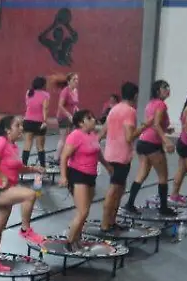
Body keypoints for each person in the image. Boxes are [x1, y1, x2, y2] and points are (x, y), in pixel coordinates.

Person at [0, 115, 46, 269]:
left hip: (4, 189)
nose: (21, 128)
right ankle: (25, 230)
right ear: (8, 130)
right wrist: (2, 177)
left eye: (22, 125)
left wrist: (33, 169)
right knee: (30, 195)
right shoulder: (1, 142)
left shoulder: (13, 146)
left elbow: (18, 167)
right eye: (18, 125)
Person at [58, 109, 111, 251]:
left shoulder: (92, 135)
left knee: (85, 212)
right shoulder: (75, 136)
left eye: (93, 117)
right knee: (82, 212)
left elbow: (98, 153)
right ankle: (69, 242)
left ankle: (77, 238)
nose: (93, 120)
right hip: (77, 175)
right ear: (81, 123)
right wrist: (63, 176)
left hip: (91, 176)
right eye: (89, 118)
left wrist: (108, 167)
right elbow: (64, 157)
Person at [97, 82, 147, 232]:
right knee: (114, 190)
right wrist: (145, 126)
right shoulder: (130, 111)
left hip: (111, 154)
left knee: (119, 189)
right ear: (136, 95)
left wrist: (95, 143)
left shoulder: (114, 109)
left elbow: (103, 130)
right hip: (120, 156)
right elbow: (129, 136)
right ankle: (106, 224)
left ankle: (112, 221)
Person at [123, 80, 177, 217]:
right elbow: (156, 125)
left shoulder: (151, 104)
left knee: (142, 174)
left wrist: (167, 130)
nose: (167, 89)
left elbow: (154, 123)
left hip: (142, 142)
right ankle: (163, 208)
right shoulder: (161, 104)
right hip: (152, 144)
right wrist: (166, 141)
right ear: (158, 91)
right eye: (164, 87)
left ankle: (130, 204)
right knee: (163, 176)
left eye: (168, 87)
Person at [22, 76, 51, 167]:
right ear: (43, 85)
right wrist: (45, 121)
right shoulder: (45, 95)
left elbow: (28, 105)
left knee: (27, 144)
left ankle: (23, 165)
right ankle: (42, 166)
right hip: (39, 122)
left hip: (28, 120)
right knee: (40, 146)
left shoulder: (29, 92)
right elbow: (45, 109)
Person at [55, 72, 80, 162]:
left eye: (77, 79)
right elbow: (60, 105)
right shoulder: (65, 91)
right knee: (63, 137)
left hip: (72, 117)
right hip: (63, 117)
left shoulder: (75, 91)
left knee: (69, 138)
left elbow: (74, 104)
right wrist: (68, 115)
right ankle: (56, 158)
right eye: (74, 79)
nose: (76, 81)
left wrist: (78, 111)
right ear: (69, 81)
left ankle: (65, 157)